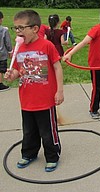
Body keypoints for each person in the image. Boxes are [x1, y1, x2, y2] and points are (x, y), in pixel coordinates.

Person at [4, 10, 64, 172]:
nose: (17, 32)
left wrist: (59, 91)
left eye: (21, 28)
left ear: (35, 29)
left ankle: (52, 156)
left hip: (45, 99)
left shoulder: (46, 46)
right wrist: (11, 75)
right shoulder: (19, 49)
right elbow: (17, 71)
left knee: (47, 132)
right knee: (29, 131)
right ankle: (29, 153)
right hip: (26, 100)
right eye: (15, 28)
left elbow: (57, 67)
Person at [0, 11, 13, 91]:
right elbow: (7, 42)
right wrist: (10, 51)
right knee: (0, 69)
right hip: (1, 53)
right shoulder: (4, 30)